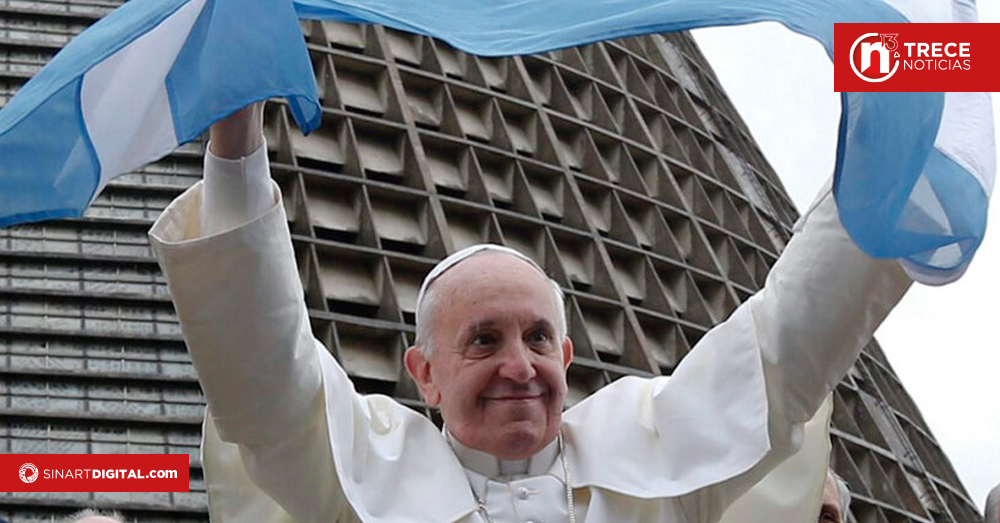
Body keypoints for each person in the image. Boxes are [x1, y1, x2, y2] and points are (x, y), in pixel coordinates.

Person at [148, 102, 912, 523]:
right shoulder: (358, 484)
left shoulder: (657, 471)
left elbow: (789, 341)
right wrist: (236, 140)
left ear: (567, 358)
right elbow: (264, 370)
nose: (519, 366)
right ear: (425, 374)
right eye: (483, 340)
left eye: (538, 337)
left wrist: (906, 130)